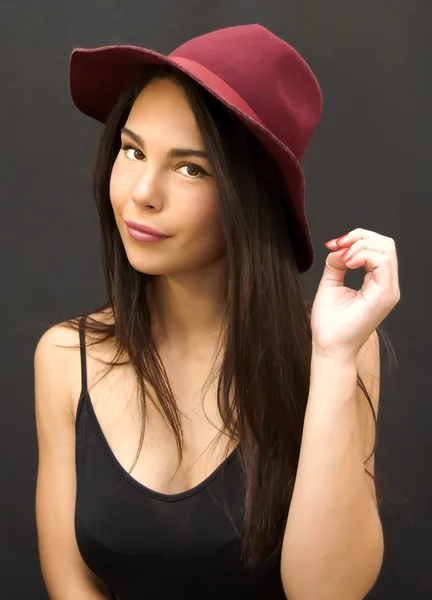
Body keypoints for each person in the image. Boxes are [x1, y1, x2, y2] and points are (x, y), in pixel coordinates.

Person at [34, 24, 400, 600]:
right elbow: (71, 584)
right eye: (132, 150)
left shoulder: (336, 352)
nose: (141, 192)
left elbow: (328, 592)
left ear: (250, 199)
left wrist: (332, 359)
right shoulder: (64, 357)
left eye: (190, 168)